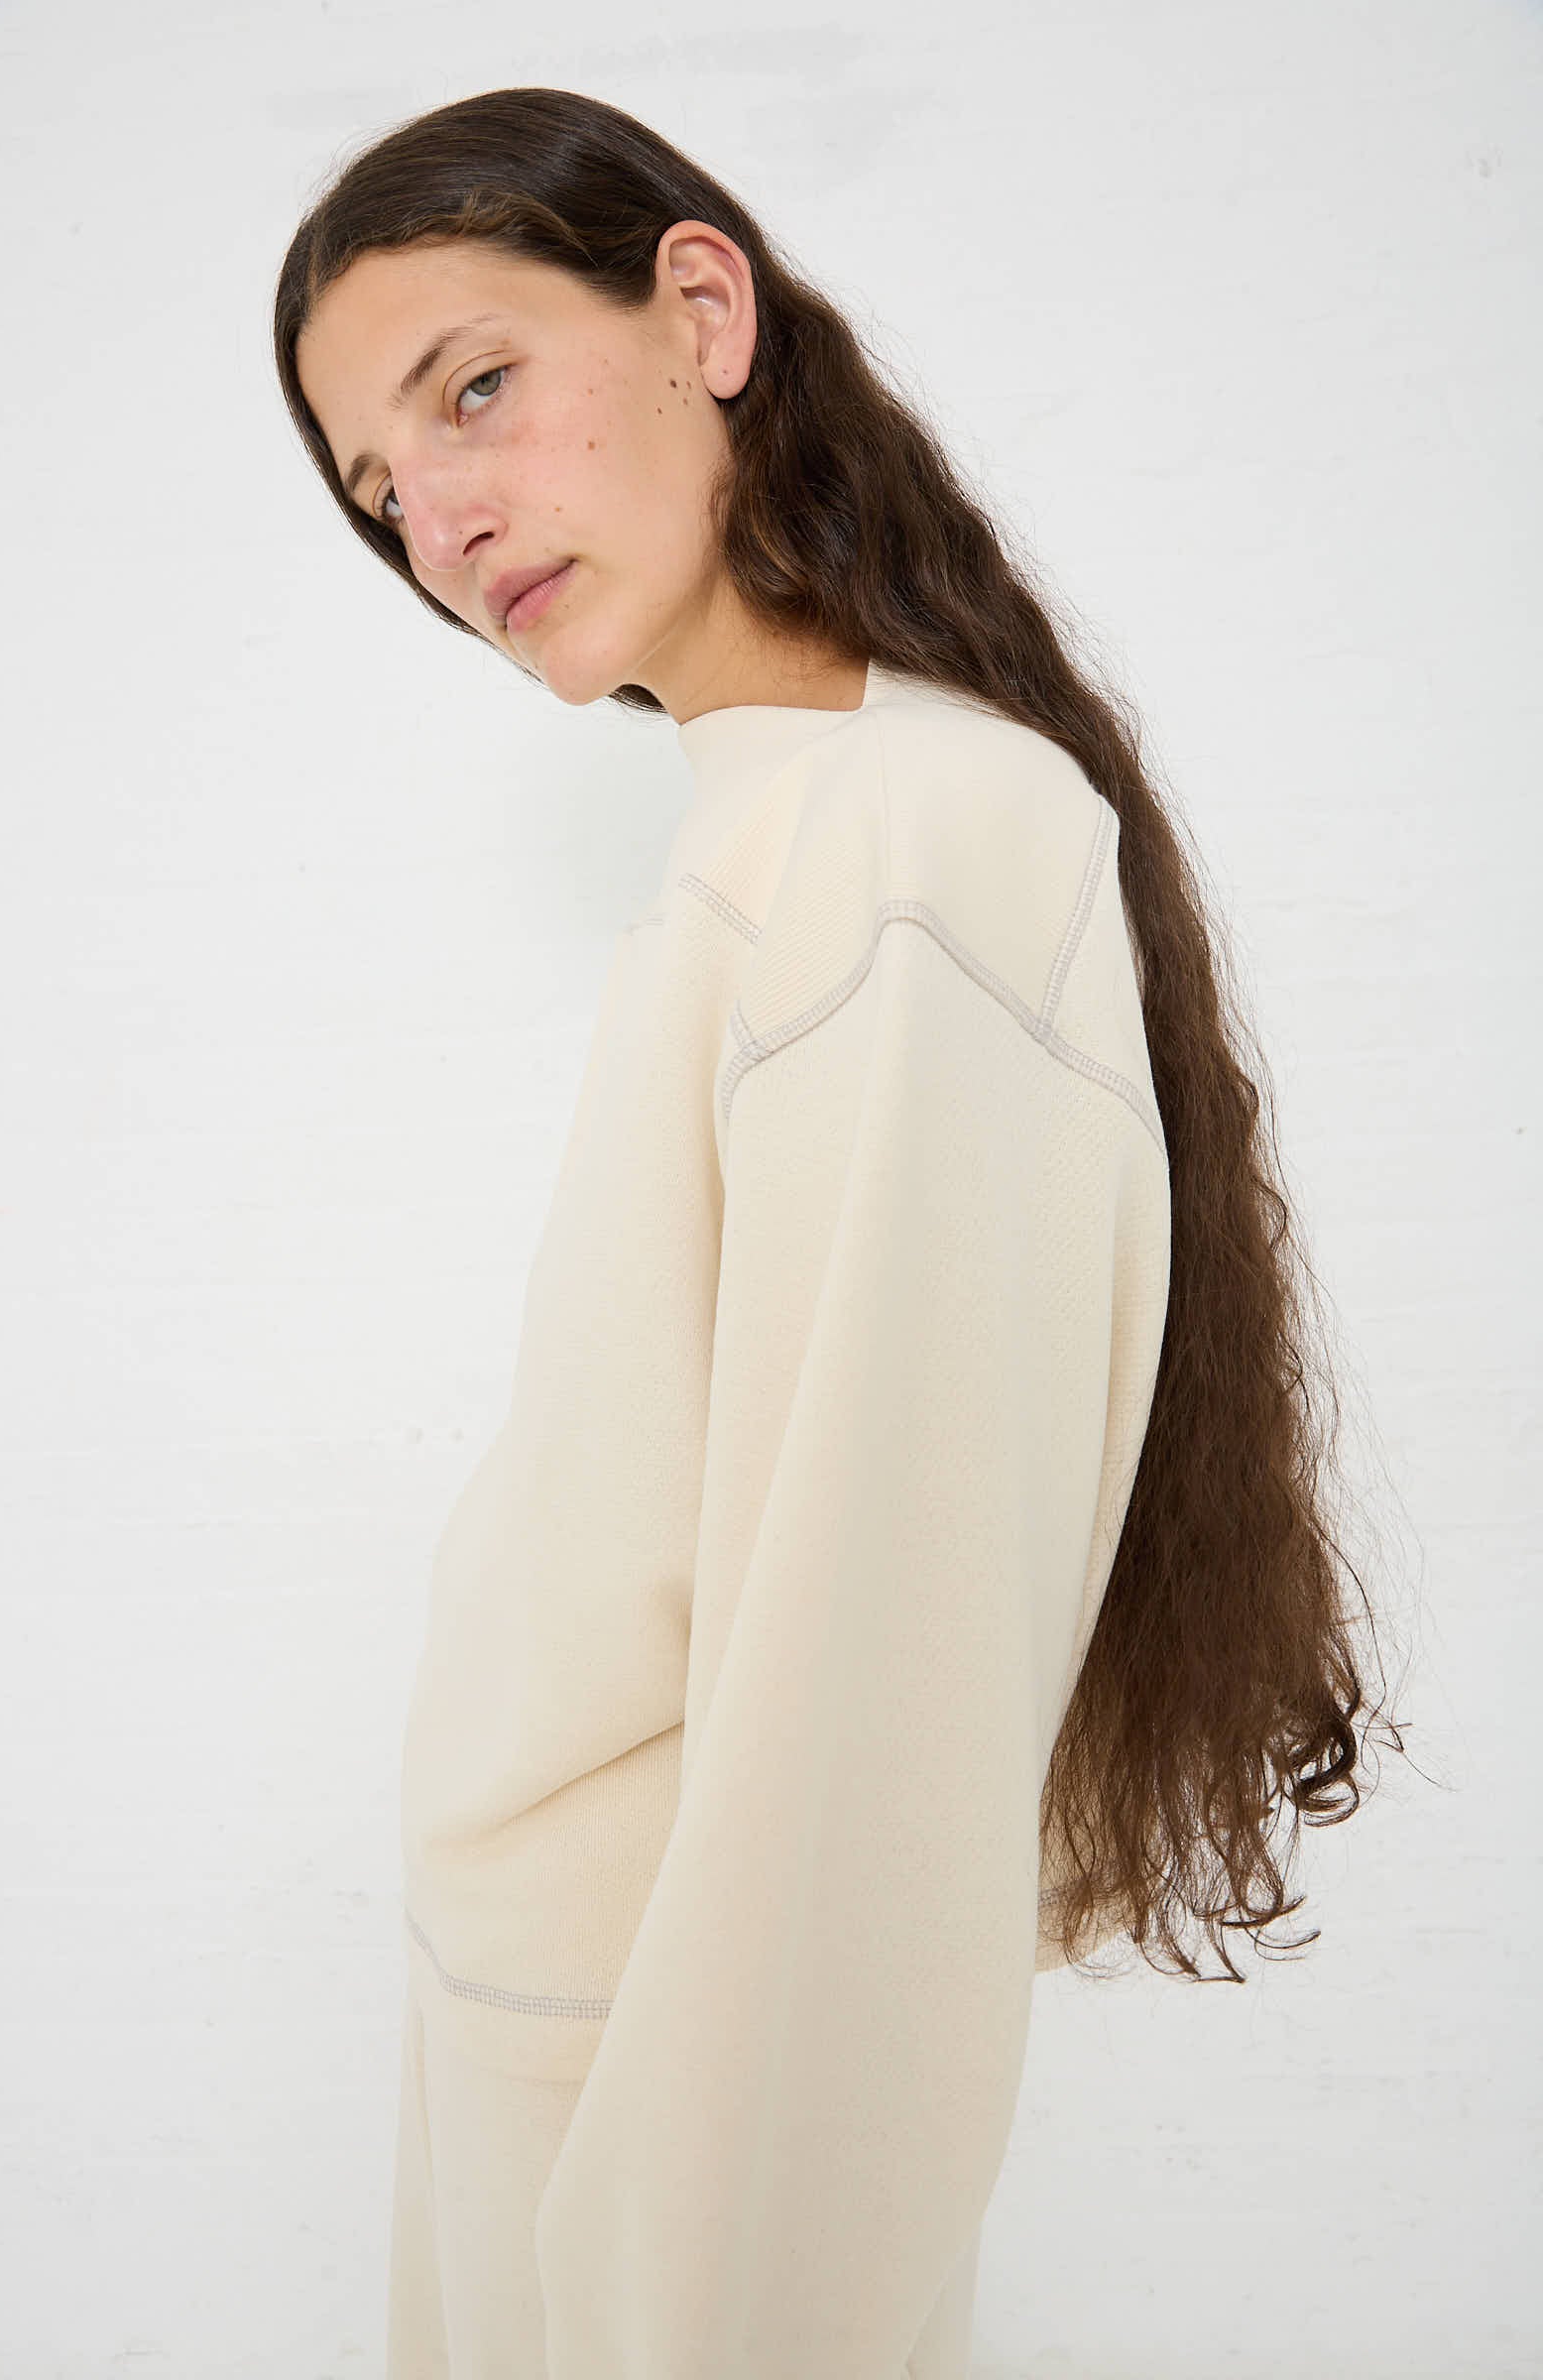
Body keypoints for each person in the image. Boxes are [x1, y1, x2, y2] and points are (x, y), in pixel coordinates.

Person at [276, 84, 1414, 2380]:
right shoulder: (794, 832)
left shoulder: (899, 850)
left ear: (702, 307)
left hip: (651, 2174)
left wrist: (713, 2307)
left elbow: (865, 1697)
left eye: (474, 384)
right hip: (557, 2063)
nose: (444, 515)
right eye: (381, 492)